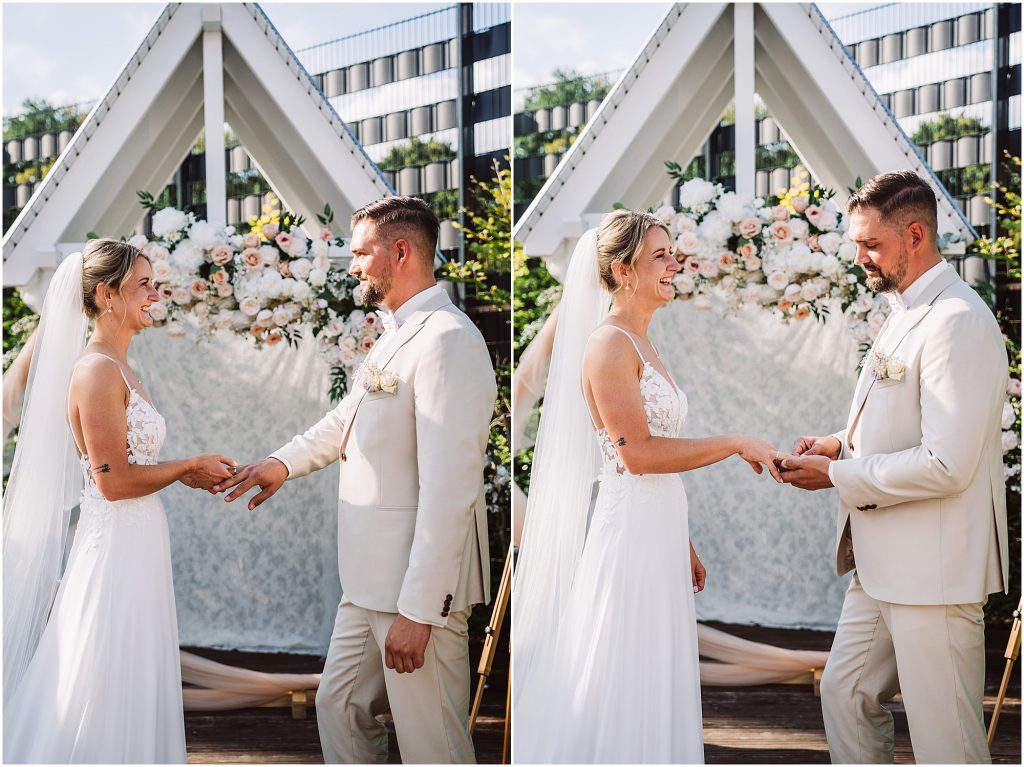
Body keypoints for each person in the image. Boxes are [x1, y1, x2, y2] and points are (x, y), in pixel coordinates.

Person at [215, 197, 496, 763]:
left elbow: (451, 490)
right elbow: (346, 419)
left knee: (432, 744)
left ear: (401, 252)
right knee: (339, 707)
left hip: (413, 588)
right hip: (367, 579)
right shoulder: (397, 333)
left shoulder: (448, 340)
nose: (353, 267)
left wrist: (420, 610)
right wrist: (280, 463)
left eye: (361, 253)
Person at [512, 210, 782, 764]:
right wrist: (735, 442)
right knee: (625, 663)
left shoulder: (641, 341)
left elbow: (652, 455)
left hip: (657, 528)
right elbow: (635, 455)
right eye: (660, 255)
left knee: (654, 662)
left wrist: (682, 541)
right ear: (623, 271)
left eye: (671, 253)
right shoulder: (609, 345)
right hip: (629, 535)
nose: (674, 263)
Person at [780, 170, 1008, 764]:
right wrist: (838, 445)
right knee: (845, 694)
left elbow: (947, 463)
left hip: (934, 572)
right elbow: (900, 422)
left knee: (946, 741)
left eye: (870, 244)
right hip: (881, 565)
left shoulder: (957, 320)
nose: (859, 257)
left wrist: (836, 477)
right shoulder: (904, 309)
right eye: (856, 243)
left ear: (915, 235)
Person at [3, 238, 235, 763]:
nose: (156, 294)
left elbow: (131, 466)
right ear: (107, 295)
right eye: (144, 285)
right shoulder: (96, 371)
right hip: (114, 548)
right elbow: (111, 482)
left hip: (139, 539)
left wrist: (181, 475)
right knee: (104, 669)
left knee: (132, 667)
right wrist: (185, 467)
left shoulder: (121, 365)